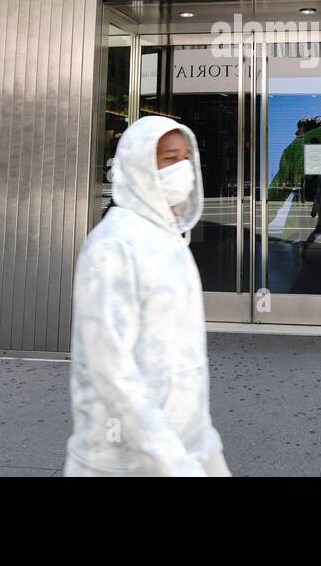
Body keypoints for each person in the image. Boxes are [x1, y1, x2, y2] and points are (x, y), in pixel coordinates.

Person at [64, 115, 230, 477]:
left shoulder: (169, 238)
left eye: (186, 158)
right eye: (169, 159)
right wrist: (173, 462)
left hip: (187, 447)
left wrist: (205, 450)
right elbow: (110, 371)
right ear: (139, 167)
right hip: (121, 462)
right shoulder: (113, 246)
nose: (182, 168)